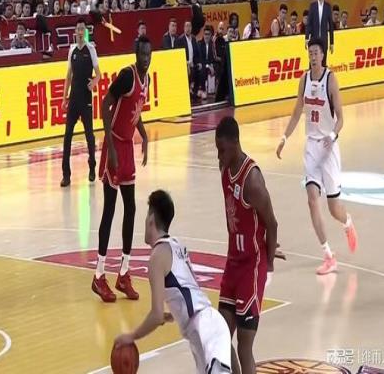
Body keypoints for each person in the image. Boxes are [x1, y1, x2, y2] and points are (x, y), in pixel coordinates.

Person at [114, 190, 232, 374]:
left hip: (207, 331)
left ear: (151, 219)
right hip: (208, 327)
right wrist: (174, 314)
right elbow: (187, 290)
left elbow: (156, 315)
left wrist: (131, 336)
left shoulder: (157, 256)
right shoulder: (176, 244)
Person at [276, 38, 357, 275]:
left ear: (323, 55)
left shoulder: (331, 79)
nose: (312, 56)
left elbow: (341, 118)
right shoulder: (304, 79)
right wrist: (284, 138)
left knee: (333, 208)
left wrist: (332, 135)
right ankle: (328, 255)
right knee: (312, 199)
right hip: (312, 146)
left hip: (328, 147)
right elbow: (296, 112)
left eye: (316, 52)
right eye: (310, 52)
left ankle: (347, 222)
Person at [215, 116, 280, 374]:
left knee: (244, 347)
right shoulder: (224, 170)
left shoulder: (252, 181)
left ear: (235, 143)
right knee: (220, 337)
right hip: (233, 262)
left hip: (252, 266)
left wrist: (269, 263)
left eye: (222, 150)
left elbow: (272, 223)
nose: (219, 156)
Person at [92, 36, 151, 303]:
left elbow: (134, 111)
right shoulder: (127, 76)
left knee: (131, 208)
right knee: (109, 209)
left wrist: (144, 135)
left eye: (148, 55)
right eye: (142, 55)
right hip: (114, 144)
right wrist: (111, 149)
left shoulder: (146, 80)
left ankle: (124, 273)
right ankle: (99, 275)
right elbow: (106, 105)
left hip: (127, 145)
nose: (145, 59)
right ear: (135, 54)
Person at [60, 18, 101, 187]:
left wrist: (94, 82)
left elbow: (98, 73)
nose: (80, 31)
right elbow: (68, 76)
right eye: (77, 29)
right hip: (74, 98)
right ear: (75, 31)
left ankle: (92, 166)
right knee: (67, 135)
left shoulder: (91, 49)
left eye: (82, 29)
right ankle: (66, 175)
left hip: (86, 98)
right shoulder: (72, 51)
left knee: (89, 134)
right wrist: (64, 97)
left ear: (85, 32)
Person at [305, 0, 334, 66]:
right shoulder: (312, 6)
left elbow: (331, 25)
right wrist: (306, 37)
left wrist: (332, 42)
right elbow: (309, 23)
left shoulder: (328, 6)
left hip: (324, 39)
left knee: (323, 63)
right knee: (313, 62)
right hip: (314, 39)